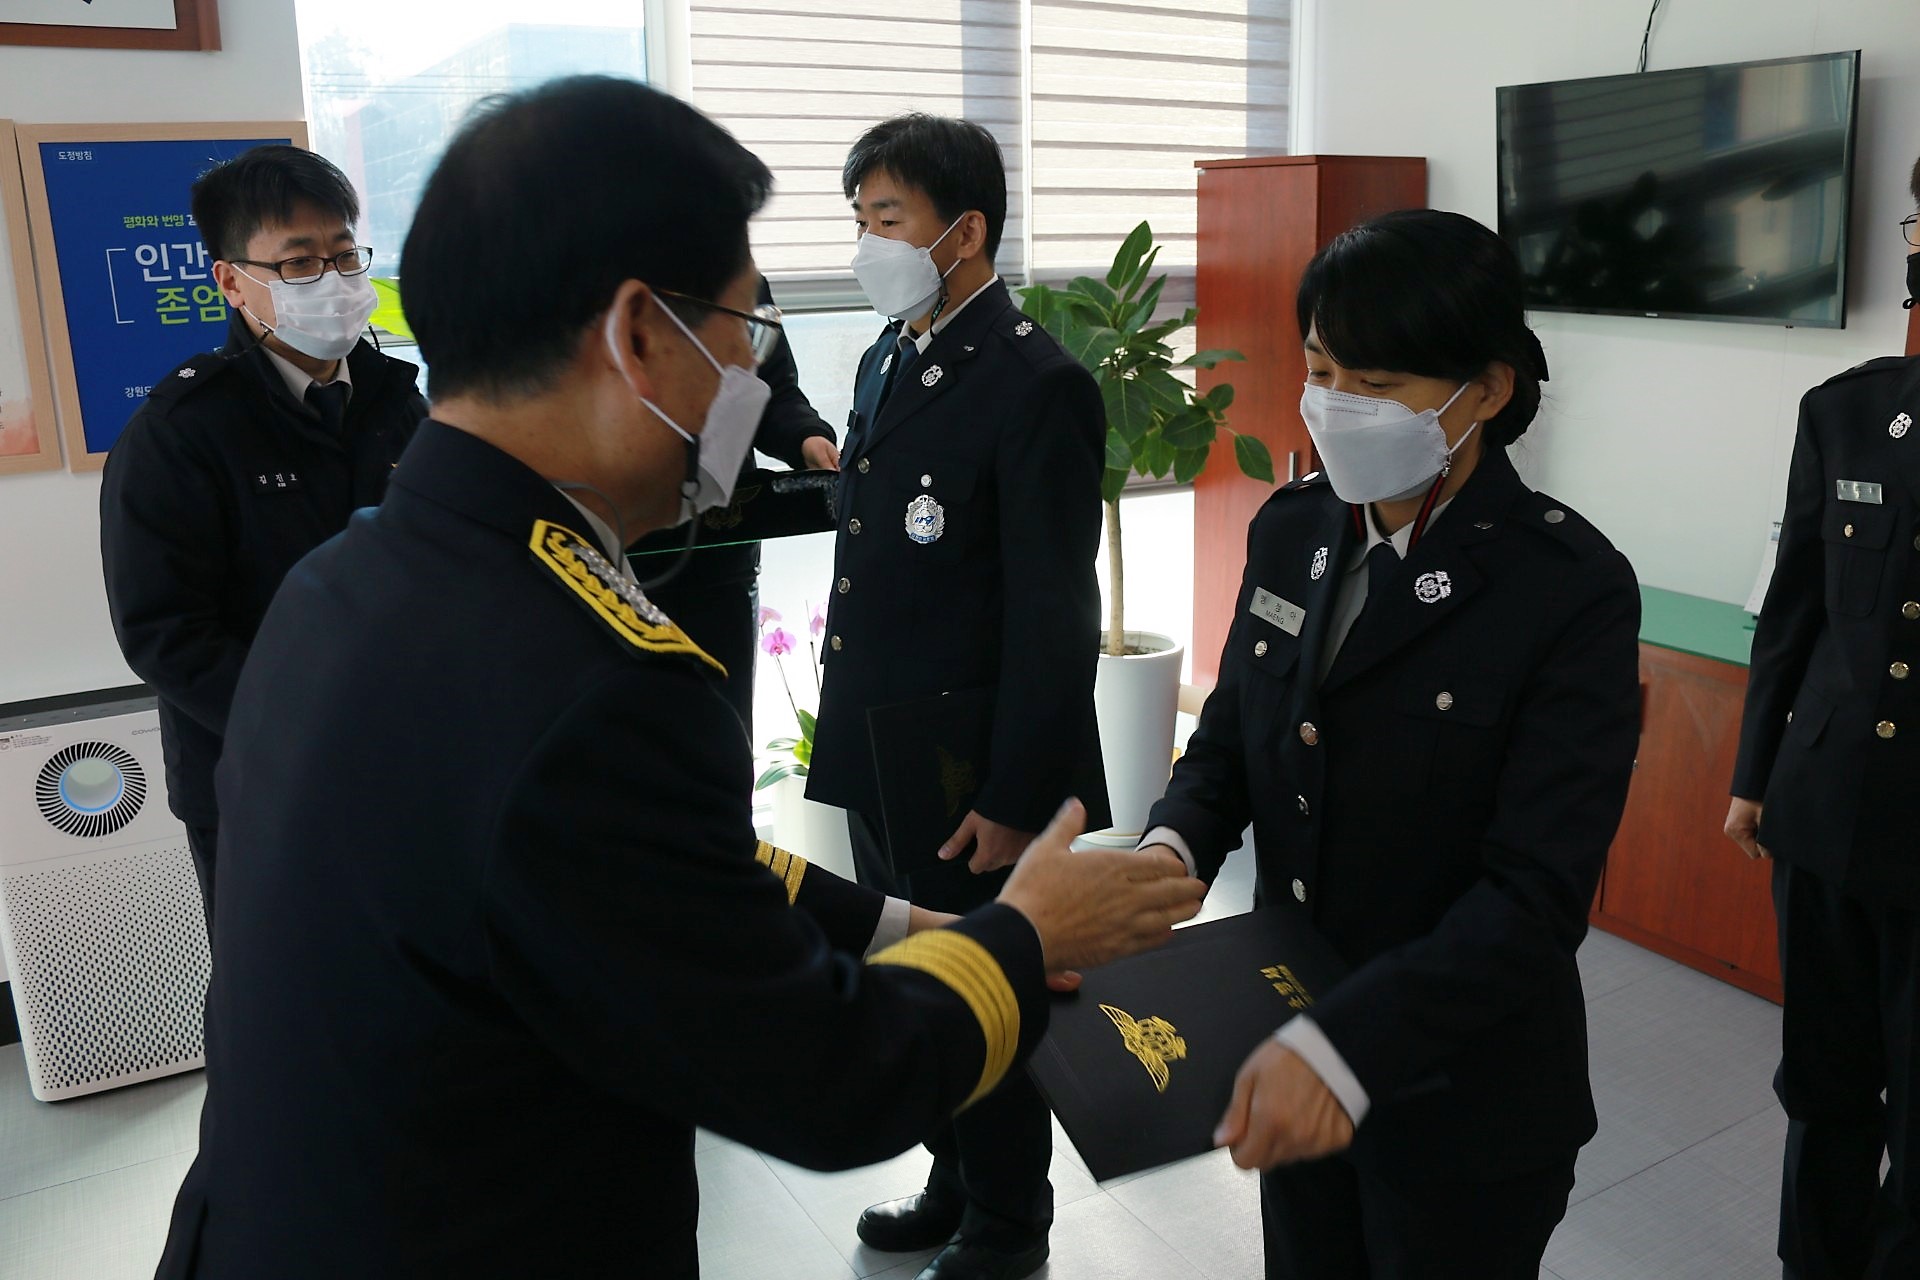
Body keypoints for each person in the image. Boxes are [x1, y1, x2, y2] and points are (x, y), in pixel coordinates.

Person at [149, 76, 1204, 1280]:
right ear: (641, 334)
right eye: (743, 327)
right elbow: (825, 1075)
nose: (751, 373)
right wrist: (1024, 934)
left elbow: (669, 865)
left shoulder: (346, 580)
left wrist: (912, 922)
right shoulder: (593, 682)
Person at [1142, 209, 1642, 1279]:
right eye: (1322, 371)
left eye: (1376, 383)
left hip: (1460, 1100)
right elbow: (1233, 731)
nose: (1337, 406)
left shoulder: (1567, 589)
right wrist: (1168, 850)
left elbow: (1536, 892)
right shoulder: (1293, 527)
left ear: (1487, 391)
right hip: (1292, 1046)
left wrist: (1343, 1044)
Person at [806, 112, 1110, 1280]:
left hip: (966, 759)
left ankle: (1008, 1220)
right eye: (861, 219)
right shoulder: (891, 352)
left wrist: (1018, 791)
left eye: (888, 219)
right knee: (911, 974)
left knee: (986, 981)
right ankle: (951, 1176)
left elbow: (1053, 612)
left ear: (965, 230)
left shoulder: (1036, 383)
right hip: (881, 739)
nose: (866, 243)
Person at [99, 144, 426, 933]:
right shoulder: (182, 432)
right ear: (231, 281)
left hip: (405, 760)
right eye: (299, 263)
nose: (334, 280)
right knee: (284, 985)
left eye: (344, 255)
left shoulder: (397, 402)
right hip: (258, 777)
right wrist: (316, 724)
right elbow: (165, 634)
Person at [1726, 154, 1920, 1280]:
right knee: (1824, 1086)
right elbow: (1793, 607)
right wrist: (1752, 774)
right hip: (1825, 810)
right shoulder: (1848, 411)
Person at [644, 274, 840, 733]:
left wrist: (807, 438)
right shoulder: (577, 266)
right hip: (614, 550)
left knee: (720, 731)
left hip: (719, 554)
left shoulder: (735, 272)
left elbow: (769, 389)